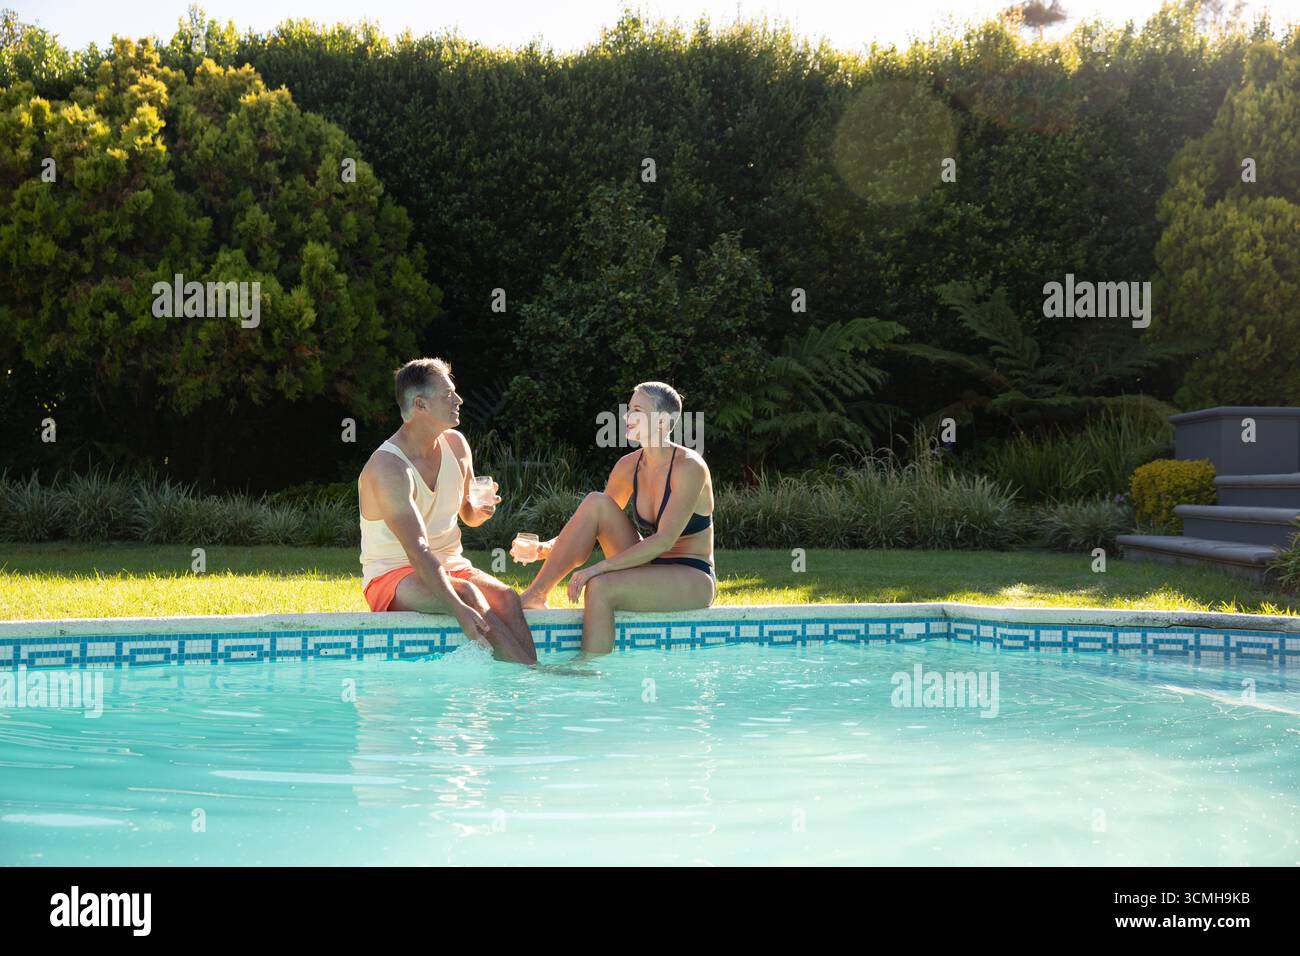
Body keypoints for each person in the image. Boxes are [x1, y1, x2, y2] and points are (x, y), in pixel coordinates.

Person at [357, 357, 537, 665]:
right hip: (394, 574)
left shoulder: (457, 445)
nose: (459, 400)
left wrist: (479, 510)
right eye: (448, 395)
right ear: (420, 405)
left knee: (508, 598)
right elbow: (417, 549)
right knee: (467, 595)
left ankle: (528, 672)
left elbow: (468, 513)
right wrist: (458, 609)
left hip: (451, 564)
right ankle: (531, 677)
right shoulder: (389, 468)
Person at [515, 382, 715, 655]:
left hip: (691, 576)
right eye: (628, 409)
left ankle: (590, 672)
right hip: (649, 564)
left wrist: (599, 568)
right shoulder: (628, 466)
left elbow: (664, 541)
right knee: (596, 502)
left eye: (636, 410)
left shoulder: (689, 467)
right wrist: (544, 549)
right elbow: (591, 522)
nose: (626, 417)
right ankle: (536, 595)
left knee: (600, 588)